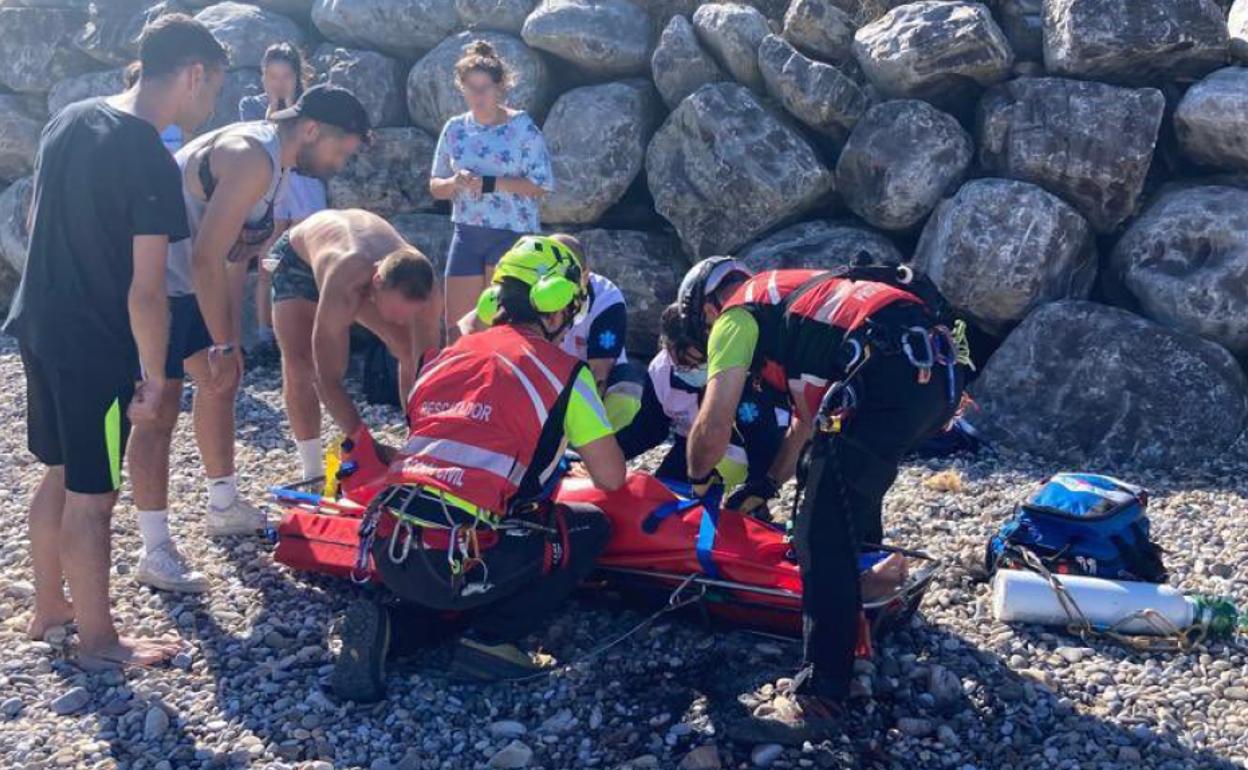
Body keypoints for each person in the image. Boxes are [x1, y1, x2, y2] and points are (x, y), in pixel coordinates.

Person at [1, 14, 227, 668]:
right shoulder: (148, 155)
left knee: (58, 469)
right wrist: (154, 377)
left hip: (38, 323)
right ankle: (100, 642)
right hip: (97, 347)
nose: (212, 101)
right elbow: (147, 289)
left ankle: (51, 608)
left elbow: (37, 221)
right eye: (212, 86)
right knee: (95, 496)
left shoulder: (70, 118)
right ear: (193, 74)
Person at [333, 235, 625, 700]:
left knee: (452, 594)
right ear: (555, 305)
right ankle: (494, 642)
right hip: (466, 551)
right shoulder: (565, 373)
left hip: (392, 547)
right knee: (589, 529)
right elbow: (611, 478)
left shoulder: (445, 356)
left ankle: (392, 626)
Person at [681, 257, 968, 715]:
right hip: (934, 376)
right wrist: (767, 485)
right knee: (845, 485)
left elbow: (713, 424)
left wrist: (698, 483)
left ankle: (823, 691)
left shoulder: (736, 315)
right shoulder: (798, 304)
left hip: (887, 373)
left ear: (705, 309)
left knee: (820, 533)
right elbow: (804, 428)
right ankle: (866, 609)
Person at [126, 84, 370, 593]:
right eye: (339, 150)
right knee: (160, 408)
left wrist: (228, 343)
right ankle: (154, 549)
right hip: (156, 287)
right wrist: (221, 342)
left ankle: (222, 503)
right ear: (309, 130)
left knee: (221, 385)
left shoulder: (278, 164)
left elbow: (235, 256)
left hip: (190, 285)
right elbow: (205, 257)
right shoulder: (250, 156)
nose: (339, 164)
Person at [269, 209, 443, 481]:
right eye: (398, 311)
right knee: (301, 365)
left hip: (363, 263)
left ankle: (415, 442)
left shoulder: (427, 292)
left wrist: (423, 445)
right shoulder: (345, 282)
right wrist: (367, 445)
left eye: (409, 313)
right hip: (298, 258)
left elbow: (426, 372)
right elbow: (327, 379)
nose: (403, 319)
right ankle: (312, 471)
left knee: (408, 350)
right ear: (376, 285)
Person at [429, 40, 554, 343]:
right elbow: (435, 187)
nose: (478, 96)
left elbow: (542, 184)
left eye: (484, 88)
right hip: (467, 234)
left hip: (511, 235)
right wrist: (455, 183)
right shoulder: (455, 128)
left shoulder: (523, 128)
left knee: (499, 332)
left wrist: (491, 183)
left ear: (500, 88)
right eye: (471, 88)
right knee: (457, 330)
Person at [615, 303, 788, 503]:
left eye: (699, 362)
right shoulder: (660, 371)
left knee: (725, 501)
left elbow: (763, 440)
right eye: (683, 361)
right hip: (692, 446)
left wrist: (757, 491)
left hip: (738, 448)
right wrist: (608, 454)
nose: (693, 369)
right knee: (661, 495)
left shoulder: (738, 374)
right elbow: (649, 428)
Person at [239, 42, 328, 350]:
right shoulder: (250, 105)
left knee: (308, 249)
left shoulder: (311, 104)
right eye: (272, 76)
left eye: (286, 76)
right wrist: (277, 108)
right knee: (270, 253)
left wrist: (292, 104)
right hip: (273, 184)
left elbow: (307, 146)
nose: (279, 83)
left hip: (304, 182)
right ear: (263, 76)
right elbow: (261, 139)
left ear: (296, 76)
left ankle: (312, 332)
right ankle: (266, 332)